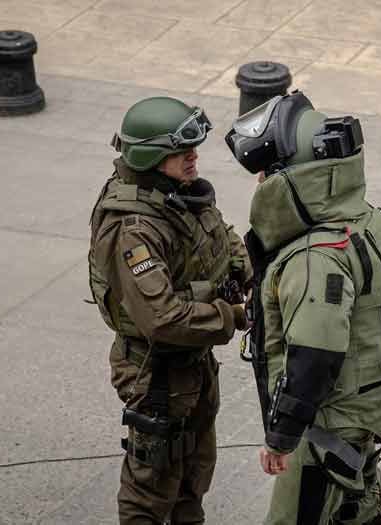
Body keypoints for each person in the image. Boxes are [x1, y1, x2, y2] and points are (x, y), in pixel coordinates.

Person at [226, 91, 381, 525]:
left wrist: (281, 438)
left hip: (328, 424)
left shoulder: (315, 256)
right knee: (356, 509)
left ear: (291, 177)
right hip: (360, 408)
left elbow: (315, 355)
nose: (260, 183)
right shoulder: (363, 220)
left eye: (267, 172)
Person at [88, 96, 252, 524]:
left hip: (192, 364)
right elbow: (162, 318)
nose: (194, 156)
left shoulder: (178, 194)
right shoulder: (134, 228)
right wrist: (234, 316)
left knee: (192, 477)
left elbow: (218, 231)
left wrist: (246, 268)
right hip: (156, 374)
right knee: (151, 486)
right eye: (182, 151)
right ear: (152, 156)